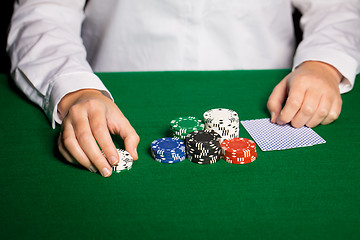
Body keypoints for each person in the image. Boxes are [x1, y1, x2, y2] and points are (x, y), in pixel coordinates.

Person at [7, 0, 360, 177]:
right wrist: (74, 90)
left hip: (271, 101)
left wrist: (324, 64)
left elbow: (338, 7)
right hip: (110, 103)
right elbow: (44, 10)